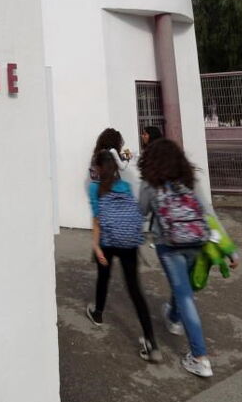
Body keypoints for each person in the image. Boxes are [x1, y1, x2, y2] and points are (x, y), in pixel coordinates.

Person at [139, 139, 233, 378]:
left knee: (184, 295)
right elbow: (208, 213)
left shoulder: (150, 182)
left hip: (168, 244)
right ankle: (173, 317)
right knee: (182, 288)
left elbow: (141, 212)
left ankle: (200, 358)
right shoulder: (190, 179)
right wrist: (229, 249)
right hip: (196, 241)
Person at [85, 149, 162, 363]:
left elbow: (97, 219)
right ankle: (151, 342)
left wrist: (96, 247)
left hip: (108, 241)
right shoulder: (126, 186)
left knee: (104, 277)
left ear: (98, 168)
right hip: (129, 242)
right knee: (135, 289)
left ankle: (98, 313)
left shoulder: (94, 188)